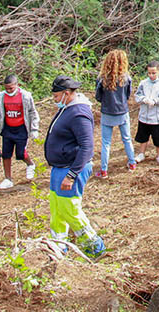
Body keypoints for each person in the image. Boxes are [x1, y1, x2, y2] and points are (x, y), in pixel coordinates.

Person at [45, 76, 105, 256]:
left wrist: (71, 175)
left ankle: (94, 245)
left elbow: (87, 146)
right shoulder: (67, 108)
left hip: (71, 168)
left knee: (69, 209)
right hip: (59, 167)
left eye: (56, 97)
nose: (55, 100)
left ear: (66, 94)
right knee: (56, 207)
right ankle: (59, 245)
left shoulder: (79, 113)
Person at [0, 74, 39, 190]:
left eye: (11, 88)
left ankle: (30, 164)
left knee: (21, 153)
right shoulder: (1, 96)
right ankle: (8, 178)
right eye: (6, 88)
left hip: (21, 128)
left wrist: (34, 128)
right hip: (7, 128)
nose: (8, 91)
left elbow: (32, 112)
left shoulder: (26, 96)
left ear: (17, 85)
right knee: (6, 154)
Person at [95, 49, 136, 176]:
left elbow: (98, 97)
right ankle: (132, 163)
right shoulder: (126, 78)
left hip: (107, 113)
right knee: (127, 139)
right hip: (122, 112)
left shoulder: (102, 79)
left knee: (106, 143)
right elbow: (128, 95)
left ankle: (104, 170)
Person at [135, 61, 159, 166]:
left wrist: (155, 101)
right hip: (144, 116)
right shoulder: (143, 83)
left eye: (154, 73)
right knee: (143, 136)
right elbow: (137, 95)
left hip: (157, 117)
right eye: (149, 73)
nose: (151, 75)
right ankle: (141, 153)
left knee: (158, 138)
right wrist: (144, 99)